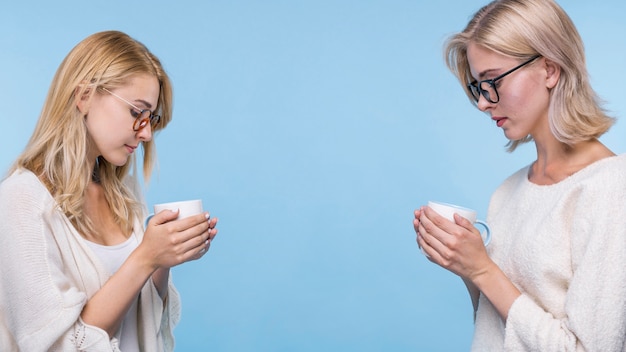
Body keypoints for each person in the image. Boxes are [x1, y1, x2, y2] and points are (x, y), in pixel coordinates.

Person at [413, 0, 626, 350]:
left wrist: (483, 270)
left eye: (492, 80)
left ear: (550, 69)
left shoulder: (611, 187)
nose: (483, 102)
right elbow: (497, 333)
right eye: (478, 86)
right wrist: (466, 266)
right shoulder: (508, 192)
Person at [0, 31, 219, 351]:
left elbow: (144, 325)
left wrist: (165, 257)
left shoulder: (122, 196)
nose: (146, 134)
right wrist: (145, 257)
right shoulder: (20, 200)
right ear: (84, 95)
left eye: (151, 118)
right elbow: (56, 344)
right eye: (136, 112)